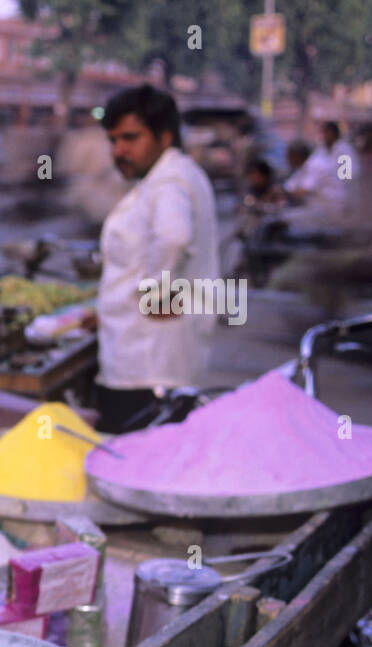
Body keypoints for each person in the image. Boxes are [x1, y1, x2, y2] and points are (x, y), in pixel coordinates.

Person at [95, 85, 218, 434]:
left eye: (131, 138)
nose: (119, 150)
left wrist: (156, 296)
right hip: (159, 361)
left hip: (146, 370)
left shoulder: (170, 180)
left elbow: (174, 237)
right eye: (113, 140)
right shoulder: (173, 175)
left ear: (165, 137)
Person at [284, 121, 354, 211]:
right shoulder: (321, 150)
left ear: (334, 133)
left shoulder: (344, 150)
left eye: (326, 132)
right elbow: (292, 185)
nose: (324, 136)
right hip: (322, 199)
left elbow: (348, 176)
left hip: (335, 201)